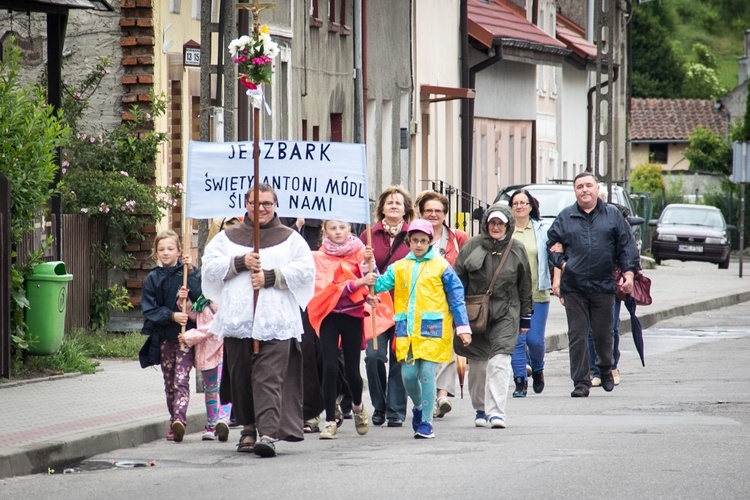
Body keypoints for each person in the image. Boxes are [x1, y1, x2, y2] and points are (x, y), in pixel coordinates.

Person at [201, 184, 315, 458]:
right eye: (255, 203)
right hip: (239, 320)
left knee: (269, 378)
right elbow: (209, 266)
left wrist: (271, 276)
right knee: (241, 377)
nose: (261, 208)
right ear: (246, 204)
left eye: (266, 203)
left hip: (276, 321)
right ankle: (249, 428)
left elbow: (305, 270)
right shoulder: (227, 237)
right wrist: (239, 262)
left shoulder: (290, 238)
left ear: (275, 204)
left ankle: (268, 433)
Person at [370, 219, 472, 439]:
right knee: (408, 376)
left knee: (427, 373)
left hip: (433, 329)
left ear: (430, 241)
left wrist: (463, 327)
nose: (419, 245)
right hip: (407, 329)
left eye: (423, 241)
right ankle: (419, 407)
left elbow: (456, 297)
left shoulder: (442, 266)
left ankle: (426, 422)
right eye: (415, 240)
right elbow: (378, 285)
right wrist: (367, 267)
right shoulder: (398, 267)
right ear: (408, 241)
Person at [547, 172, 640, 398]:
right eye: (579, 186)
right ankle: (581, 382)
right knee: (577, 335)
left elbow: (626, 246)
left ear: (597, 189)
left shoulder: (613, 215)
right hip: (574, 287)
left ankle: (606, 369)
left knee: (603, 333)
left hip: (603, 285)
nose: (584, 190)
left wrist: (629, 273)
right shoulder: (565, 217)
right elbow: (551, 245)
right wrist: (563, 264)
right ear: (575, 191)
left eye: (589, 185)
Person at [454, 203, 532, 429]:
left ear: (508, 225)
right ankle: (480, 408)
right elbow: (458, 281)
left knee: (500, 361)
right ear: (486, 224)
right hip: (475, 312)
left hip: (507, 311)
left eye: (500, 223)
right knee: (478, 366)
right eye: (492, 222)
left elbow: (525, 284)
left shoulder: (517, 249)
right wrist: (458, 317)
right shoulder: (471, 246)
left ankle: (497, 412)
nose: (496, 227)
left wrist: (525, 317)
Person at [307, 220, 376, 440]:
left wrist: (368, 271)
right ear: (324, 230)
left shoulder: (360, 252)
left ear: (350, 230)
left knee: (352, 372)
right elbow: (323, 288)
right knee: (329, 367)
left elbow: (373, 280)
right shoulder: (318, 257)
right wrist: (358, 283)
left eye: (342, 228)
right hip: (328, 315)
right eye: (333, 228)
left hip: (352, 316)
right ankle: (329, 420)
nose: (338, 232)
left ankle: (356, 406)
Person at [359, 186, 413, 428]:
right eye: (389, 202)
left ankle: (396, 410)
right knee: (373, 357)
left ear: (405, 209)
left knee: (400, 357)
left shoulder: (414, 235)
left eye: (398, 203)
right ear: (381, 207)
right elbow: (356, 267)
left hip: (404, 305)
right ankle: (379, 405)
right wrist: (364, 258)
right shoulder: (368, 236)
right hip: (377, 306)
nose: (393, 205)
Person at [141, 229, 201, 443]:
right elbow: (149, 309)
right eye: (161, 249)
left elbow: (200, 296)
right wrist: (172, 315)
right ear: (155, 252)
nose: (166, 253)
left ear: (178, 251)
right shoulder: (152, 278)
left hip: (185, 338)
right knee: (169, 382)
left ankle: (180, 420)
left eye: (170, 249)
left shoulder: (185, 272)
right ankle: (172, 419)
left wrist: (192, 271)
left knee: (181, 379)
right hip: (165, 338)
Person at [414, 190, 469, 418]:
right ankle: (428, 394)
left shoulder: (459, 238)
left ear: (445, 214)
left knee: (447, 348)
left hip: (450, 301)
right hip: (423, 302)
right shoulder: (415, 236)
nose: (433, 214)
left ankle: (442, 395)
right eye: (429, 211)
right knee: (427, 350)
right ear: (421, 213)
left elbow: (467, 266)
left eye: (438, 211)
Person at [508, 189, 552, 397]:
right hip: (511, 296)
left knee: (534, 340)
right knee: (517, 340)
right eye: (515, 203)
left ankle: (537, 368)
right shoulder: (505, 231)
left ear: (531, 206)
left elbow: (554, 254)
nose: (519, 206)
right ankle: (519, 382)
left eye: (523, 203)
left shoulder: (542, 230)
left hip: (537, 293)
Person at [180, 295, 232, 442]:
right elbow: (194, 316)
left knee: (224, 385)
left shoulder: (222, 297)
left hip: (221, 348)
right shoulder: (202, 299)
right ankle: (211, 425)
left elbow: (217, 324)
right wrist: (184, 300)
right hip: (205, 351)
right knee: (210, 389)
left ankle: (223, 420)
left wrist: (190, 336)